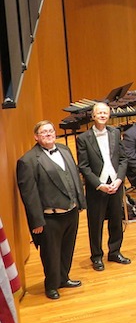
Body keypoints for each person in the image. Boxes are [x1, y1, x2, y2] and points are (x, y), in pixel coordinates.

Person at [16, 121, 86, 300]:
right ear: (36, 137)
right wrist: (37, 222)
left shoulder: (64, 149)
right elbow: (29, 196)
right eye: (43, 132)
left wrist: (80, 202)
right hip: (50, 217)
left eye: (50, 131)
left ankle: (64, 278)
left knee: (67, 249)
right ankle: (52, 285)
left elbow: (74, 178)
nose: (48, 134)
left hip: (71, 211)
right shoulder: (28, 161)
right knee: (51, 254)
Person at [75, 102, 130, 271]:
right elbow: (83, 166)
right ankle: (97, 256)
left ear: (109, 115)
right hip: (97, 188)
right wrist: (99, 185)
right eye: (99, 113)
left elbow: (123, 159)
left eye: (105, 113)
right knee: (96, 223)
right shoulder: (83, 138)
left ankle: (115, 251)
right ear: (93, 116)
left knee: (116, 220)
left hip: (115, 183)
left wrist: (120, 180)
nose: (102, 115)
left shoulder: (115, 133)